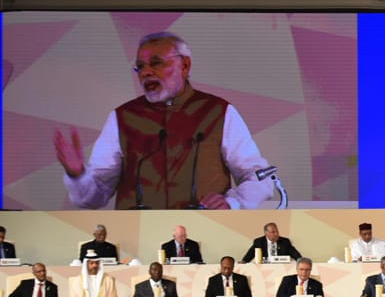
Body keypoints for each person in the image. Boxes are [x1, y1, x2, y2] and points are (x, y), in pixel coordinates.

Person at [54, 31, 274, 210]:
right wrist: (78, 174)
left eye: (156, 63)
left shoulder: (218, 112)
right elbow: (93, 198)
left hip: (206, 236)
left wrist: (232, 202)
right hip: (138, 241)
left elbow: (260, 178)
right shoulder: (123, 118)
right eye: (140, 67)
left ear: (185, 66)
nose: (145, 73)